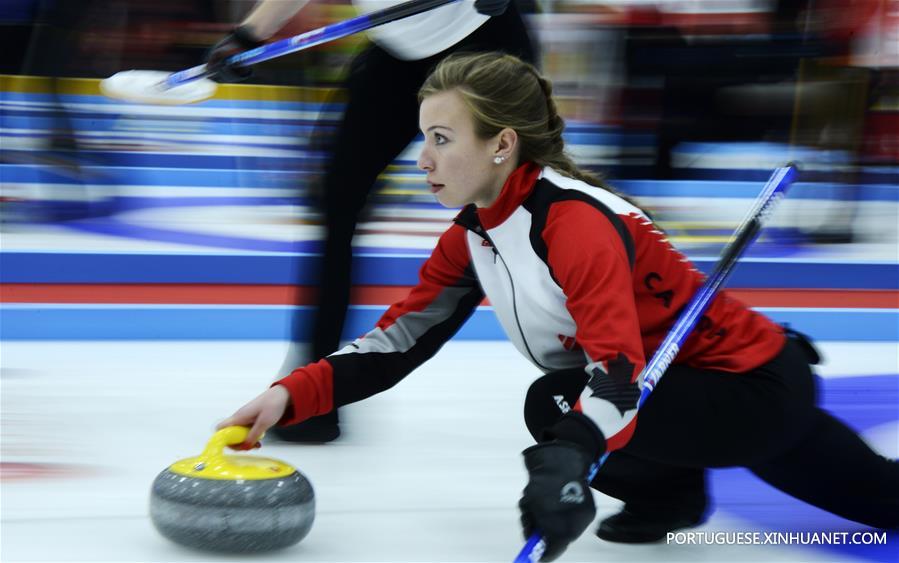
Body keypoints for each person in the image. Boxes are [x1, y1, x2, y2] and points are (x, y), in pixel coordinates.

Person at [217, 52, 898, 561]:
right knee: (560, 404)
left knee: (557, 404)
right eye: (422, 136)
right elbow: (401, 340)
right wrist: (290, 395)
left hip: (749, 387)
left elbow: (618, 374)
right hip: (700, 390)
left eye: (440, 138)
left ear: (501, 143)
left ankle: (669, 487)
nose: (420, 158)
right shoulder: (476, 230)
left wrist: (570, 455)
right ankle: (671, 490)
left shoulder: (573, 225)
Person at [206, 0, 537, 443]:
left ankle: (613, 368)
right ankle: (314, 390)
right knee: (337, 204)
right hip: (396, 49)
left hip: (481, 47)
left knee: (516, 214)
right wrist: (247, 35)